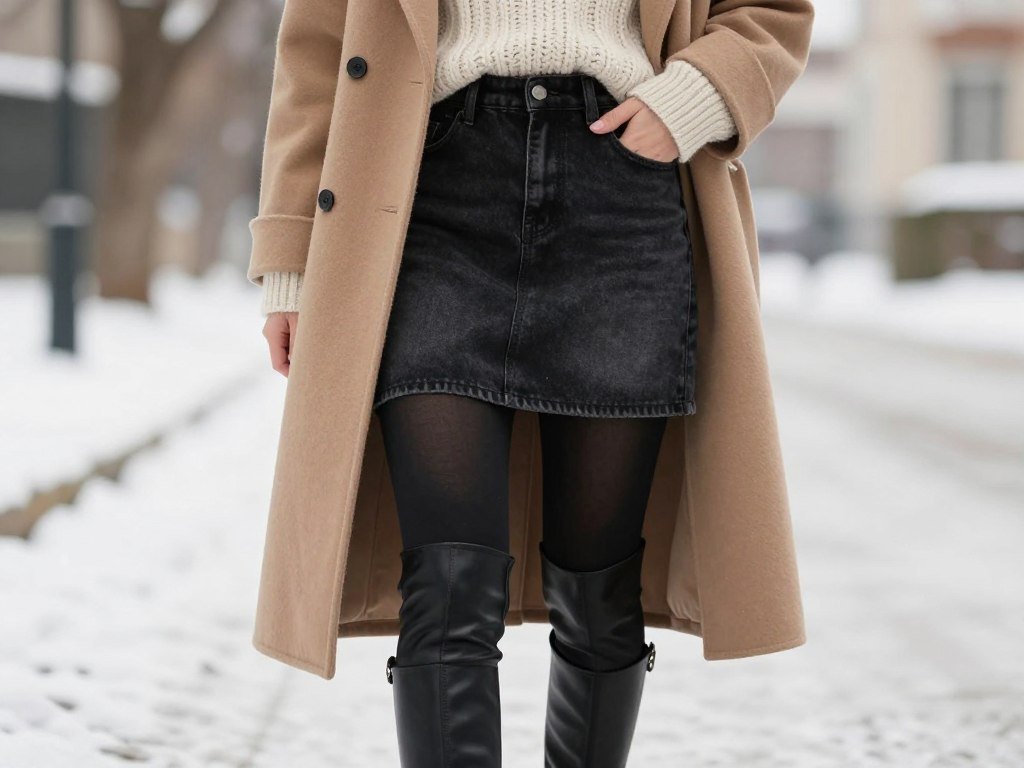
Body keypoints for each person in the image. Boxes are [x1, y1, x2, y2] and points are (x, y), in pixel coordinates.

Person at [255, 1, 807, 766]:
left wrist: (695, 95)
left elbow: (772, 11)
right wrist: (290, 259)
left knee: (600, 587)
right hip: (428, 192)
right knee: (445, 586)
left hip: (620, 189)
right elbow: (316, 49)